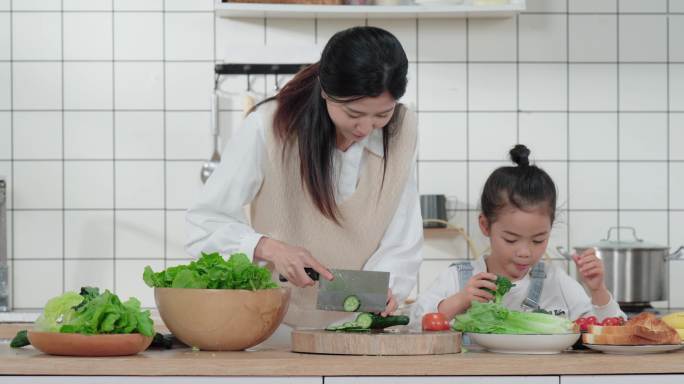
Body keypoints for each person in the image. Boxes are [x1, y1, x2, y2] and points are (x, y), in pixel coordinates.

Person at [186, 26, 422, 330]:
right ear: (326, 90)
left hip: (359, 328)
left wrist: (387, 291)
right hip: (274, 326)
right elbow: (203, 224)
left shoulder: (402, 131)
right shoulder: (269, 127)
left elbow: (402, 240)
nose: (366, 127)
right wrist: (270, 248)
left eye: (381, 115)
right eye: (353, 113)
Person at [412, 144, 625, 324]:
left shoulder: (555, 281)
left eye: (538, 240)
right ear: (485, 225)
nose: (525, 252)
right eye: (511, 239)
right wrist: (458, 302)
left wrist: (598, 291)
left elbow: (609, 327)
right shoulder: (457, 279)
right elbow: (414, 323)